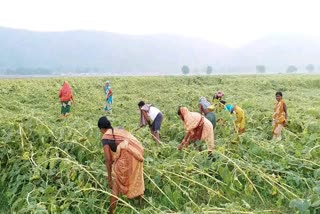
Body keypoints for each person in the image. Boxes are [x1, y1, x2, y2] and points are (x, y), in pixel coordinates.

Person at [98, 116, 144, 214]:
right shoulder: (118, 130)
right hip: (137, 154)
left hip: (128, 156)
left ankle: (111, 211)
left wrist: (109, 177)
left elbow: (108, 159)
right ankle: (141, 204)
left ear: (101, 129)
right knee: (136, 177)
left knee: (116, 184)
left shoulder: (106, 137)